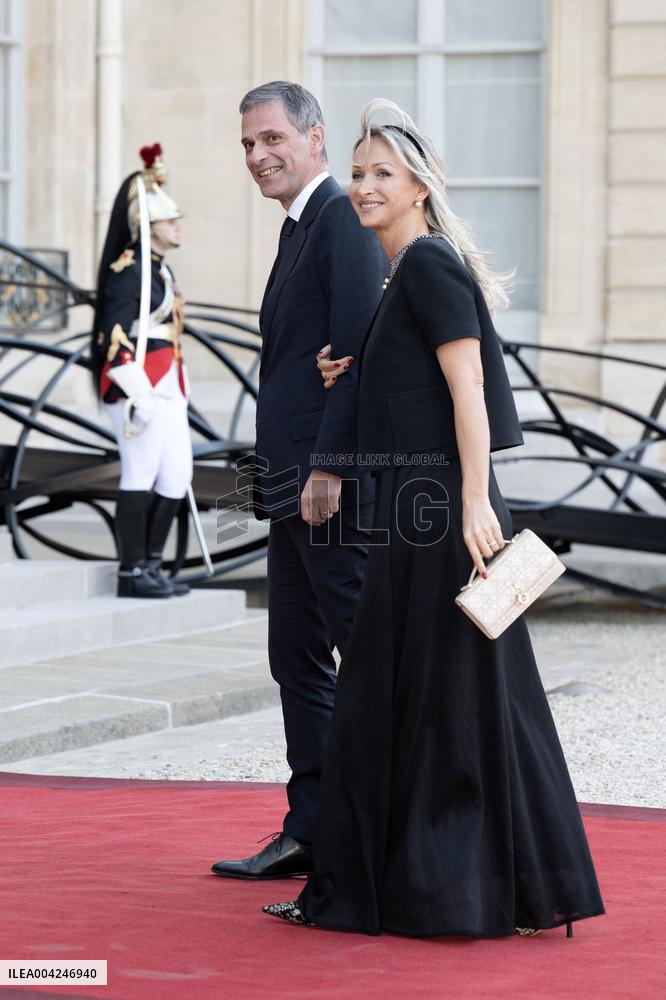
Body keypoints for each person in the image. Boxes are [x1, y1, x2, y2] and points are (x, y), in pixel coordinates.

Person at [263, 100, 605, 937]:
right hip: (419, 513)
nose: (365, 186)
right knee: (448, 702)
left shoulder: (425, 265)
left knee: (442, 703)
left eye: (384, 173)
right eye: (359, 172)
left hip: (441, 515)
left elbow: (470, 393)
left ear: (420, 185)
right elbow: (421, 384)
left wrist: (476, 501)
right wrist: (355, 375)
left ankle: (455, 889)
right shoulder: (402, 275)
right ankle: (474, 888)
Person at [210, 82, 386, 880]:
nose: (258, 156)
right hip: (287, 485)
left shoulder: (342, 220)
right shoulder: (298, 228)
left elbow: (353, 352)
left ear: (315, 137)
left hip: (326, 488)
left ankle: (383, 834)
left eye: (272, 138)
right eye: (248, 144)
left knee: (362, 654)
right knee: (296, 658)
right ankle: (310, 828)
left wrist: (329, 466)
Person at [92, 144, 192, 598]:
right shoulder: (128, 271)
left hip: (168, 382)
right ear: (148, 226)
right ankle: (131, 572)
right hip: (138, 386)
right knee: (140, 472)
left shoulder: (160, 271)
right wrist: (138, 394)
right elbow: (114, 336)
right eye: (170, 220)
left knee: (176, 476)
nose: (177, 225)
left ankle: (152, 565)